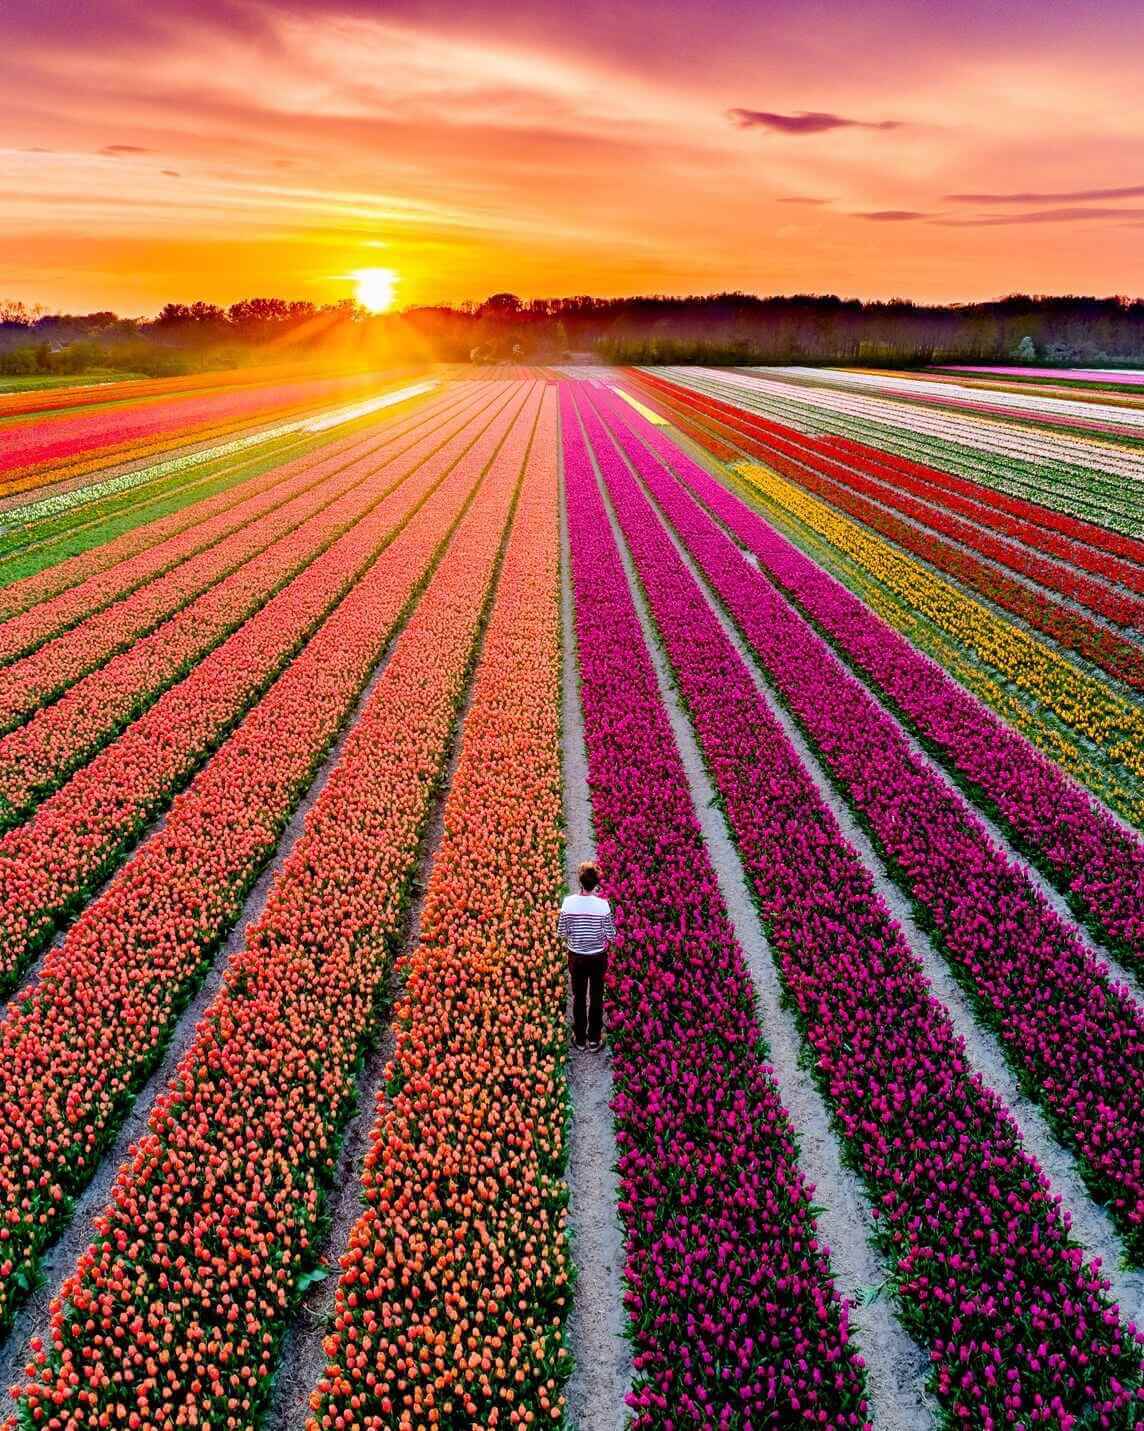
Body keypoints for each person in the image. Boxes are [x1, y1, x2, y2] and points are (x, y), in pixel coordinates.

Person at [558, 861, 616, 1051]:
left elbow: (562, 932)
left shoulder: (568, 903)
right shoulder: (603, 906)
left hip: (576, 956)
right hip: (598, 957)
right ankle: (594, 1040)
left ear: (580, 882)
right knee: (597, 996)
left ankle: (580, 1039)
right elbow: (611, 935)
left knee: (579, 996)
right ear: (596, 883)